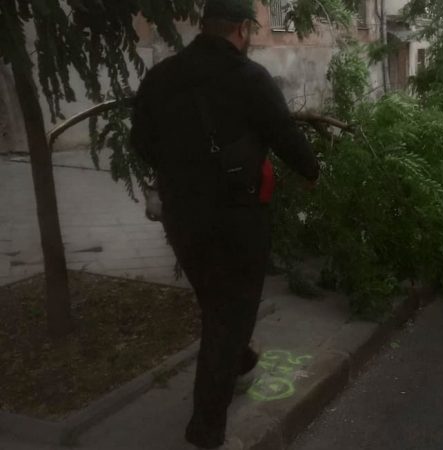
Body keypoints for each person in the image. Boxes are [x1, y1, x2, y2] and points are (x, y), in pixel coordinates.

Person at [130, 0, 319, 447]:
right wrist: (312, 171)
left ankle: (239, 361)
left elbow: (141, 143)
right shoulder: (249, 78)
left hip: (181, 217)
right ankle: (206, 429)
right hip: (237, 218)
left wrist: (184, 171)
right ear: (240, 30)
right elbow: (284, 134)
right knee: (230, 314)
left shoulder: (161, 77)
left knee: (217, 304)